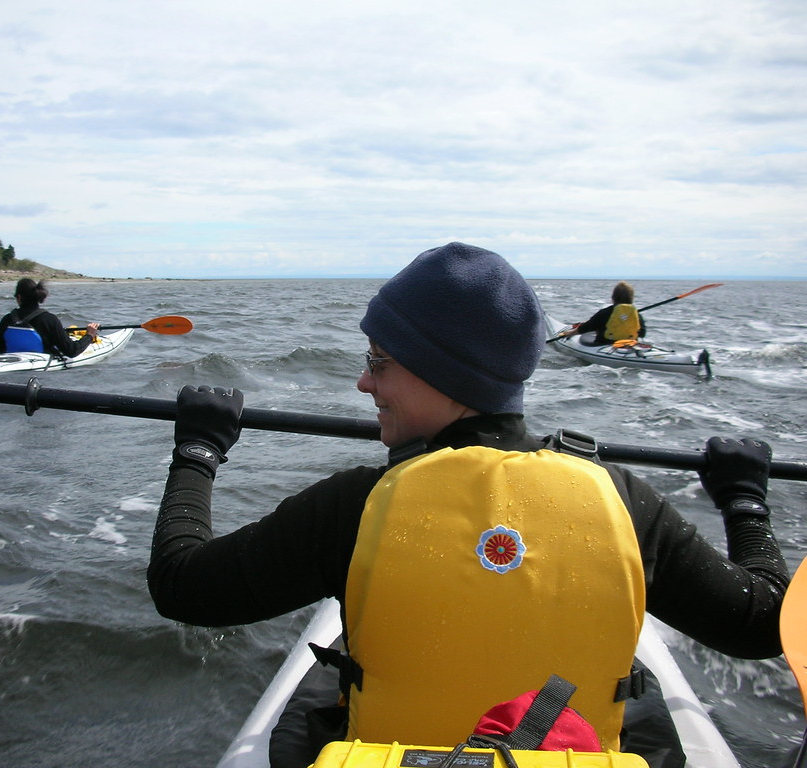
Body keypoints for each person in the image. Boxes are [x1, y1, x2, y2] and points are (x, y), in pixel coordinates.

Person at [146, 243, 788, 767]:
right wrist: (743, 499)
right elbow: (765, 623)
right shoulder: (623, 501)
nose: (363, 381)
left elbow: (181, 585)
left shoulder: (356, 508)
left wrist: (199, 449)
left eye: (379, 362)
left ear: (442, 374)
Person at [0, 278, 100, 356]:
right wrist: (89, 335)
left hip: (14, 363)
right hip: (41, 366)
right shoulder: (49, 320)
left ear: (19, 297)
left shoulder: (7, 319)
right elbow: (71, 351)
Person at [560, 281, 646, 345]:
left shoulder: (605, 313)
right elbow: (642, 333)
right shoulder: (636, 315)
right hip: (629, 344)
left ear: (613, 297)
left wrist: (569, 333)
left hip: (604, 344)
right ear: (631, 298)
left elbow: (585, 328)